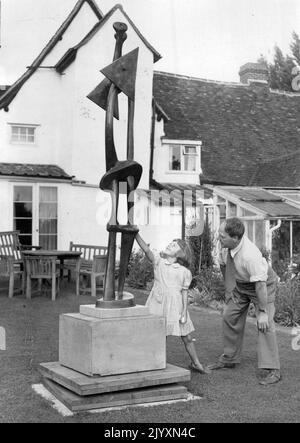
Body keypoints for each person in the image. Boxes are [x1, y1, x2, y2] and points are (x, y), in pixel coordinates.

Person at [208, 217, 281, 386]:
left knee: (265, 324)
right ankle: (230, 358)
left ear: (235, 238)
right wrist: (229, 292)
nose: (219, 237)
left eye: (222, 235)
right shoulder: (224, 246)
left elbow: (260, 286)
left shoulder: (250, 255)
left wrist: (262, 312)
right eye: (219, 234)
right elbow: (224, 267)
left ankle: (273, 369)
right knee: (229, 314)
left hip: (262, 285)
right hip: (241, 286)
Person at [135, 233, 210, 374]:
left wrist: (184, 312)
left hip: (176, 306)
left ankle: (196, 363)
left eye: (174, 245)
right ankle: (155, 363)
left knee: (187, 336)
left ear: (180, 253)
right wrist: (135, 234)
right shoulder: (158, 261)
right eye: (170, 243)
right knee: (159, 334)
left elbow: (184, 292)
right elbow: (146, 249)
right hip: (158, 303)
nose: (170, 244)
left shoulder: (184, 272)